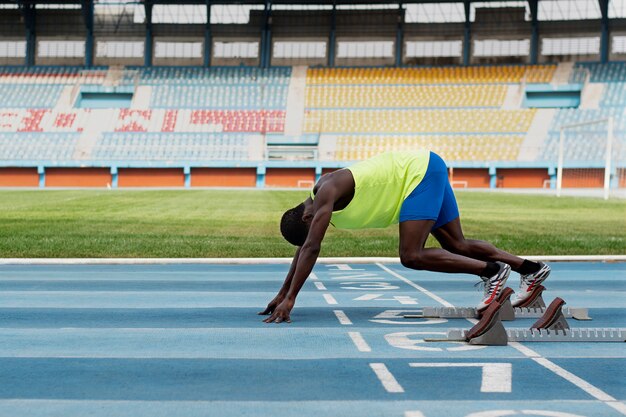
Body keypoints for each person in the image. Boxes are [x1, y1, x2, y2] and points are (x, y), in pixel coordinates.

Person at [259, 150, 550, 323]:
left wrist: (292, 299)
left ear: (308, 218)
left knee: (411, 255)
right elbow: (304, 248)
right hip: (425, 166)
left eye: (316, 229)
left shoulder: (327, 191)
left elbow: (311, 247)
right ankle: (531, 269)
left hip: (416, 174)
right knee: (456, 244)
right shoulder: (315, 205)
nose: (323, 229)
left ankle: (493, 272)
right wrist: (282, 293)